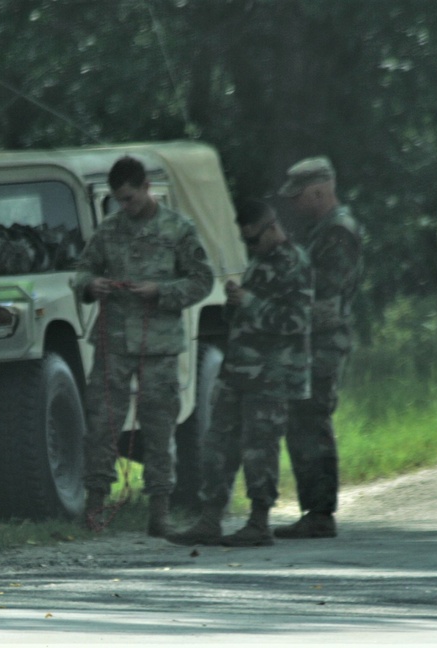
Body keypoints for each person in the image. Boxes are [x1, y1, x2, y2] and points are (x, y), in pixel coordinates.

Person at [73, 155, 213, 538]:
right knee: (101, 423)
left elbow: (202, 280)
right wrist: (91, 285)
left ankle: (159, 511)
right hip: (113, 341)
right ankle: (95, 508)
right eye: (119, 199)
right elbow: (82, 271)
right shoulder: (109, 231)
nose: (125, 206)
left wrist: (162, 292)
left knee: (158, 426)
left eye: (130, 198)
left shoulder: (178, 229)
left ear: (147, 188)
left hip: (159, 344)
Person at [167, 199, 313, 547]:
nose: (249, 247)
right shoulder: (258, 263)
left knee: (259, 448)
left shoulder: (295, 263)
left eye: (253, 240)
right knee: (217, 443)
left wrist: (249, 302)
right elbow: (247, 318)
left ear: (272, 227)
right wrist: (234, 304)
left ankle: (259, 522)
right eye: (244, 241)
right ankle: (209, 518)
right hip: (238, 372)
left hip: (271, 375)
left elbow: (298, 321)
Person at [274, 156, 364, 540]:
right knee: (302, 422)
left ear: (319, 191)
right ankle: (314, 509)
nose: (295, 204)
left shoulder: (337, 232)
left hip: (323, 343)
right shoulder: (322, 230)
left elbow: (325, 295)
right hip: (312, 341)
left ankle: (321, 512)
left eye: (300, 197)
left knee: (313, 424)